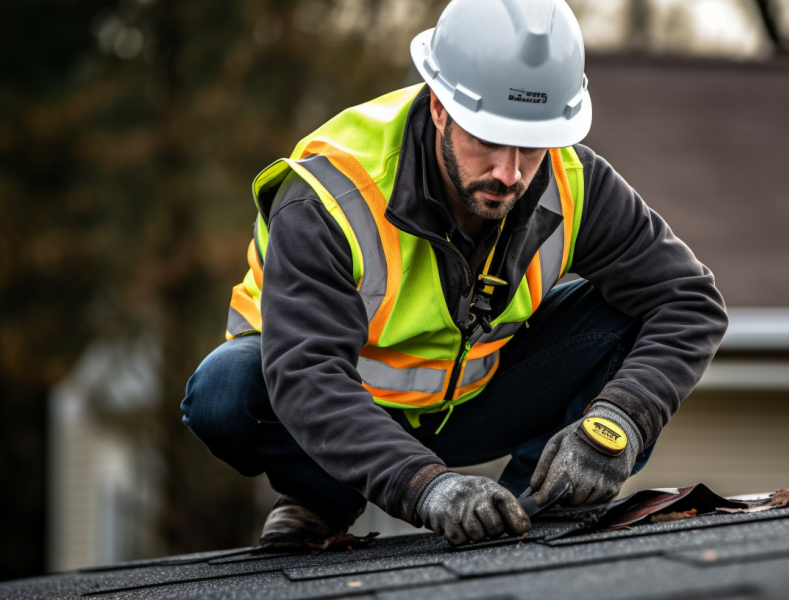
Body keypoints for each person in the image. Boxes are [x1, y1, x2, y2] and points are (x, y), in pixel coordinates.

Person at [181, 0, 727, 548]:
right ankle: (320, 497)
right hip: (334, 415)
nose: (509, 173)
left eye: (532, 144)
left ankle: (534, 508)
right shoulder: (329, 194)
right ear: (439, 107)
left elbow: (690, 300)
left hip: (476, 404)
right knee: (222, 391)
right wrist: (428, 488)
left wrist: (621, 422)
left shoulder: (574, 180)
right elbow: (307, 375)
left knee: (630, 312)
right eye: (488, 138)